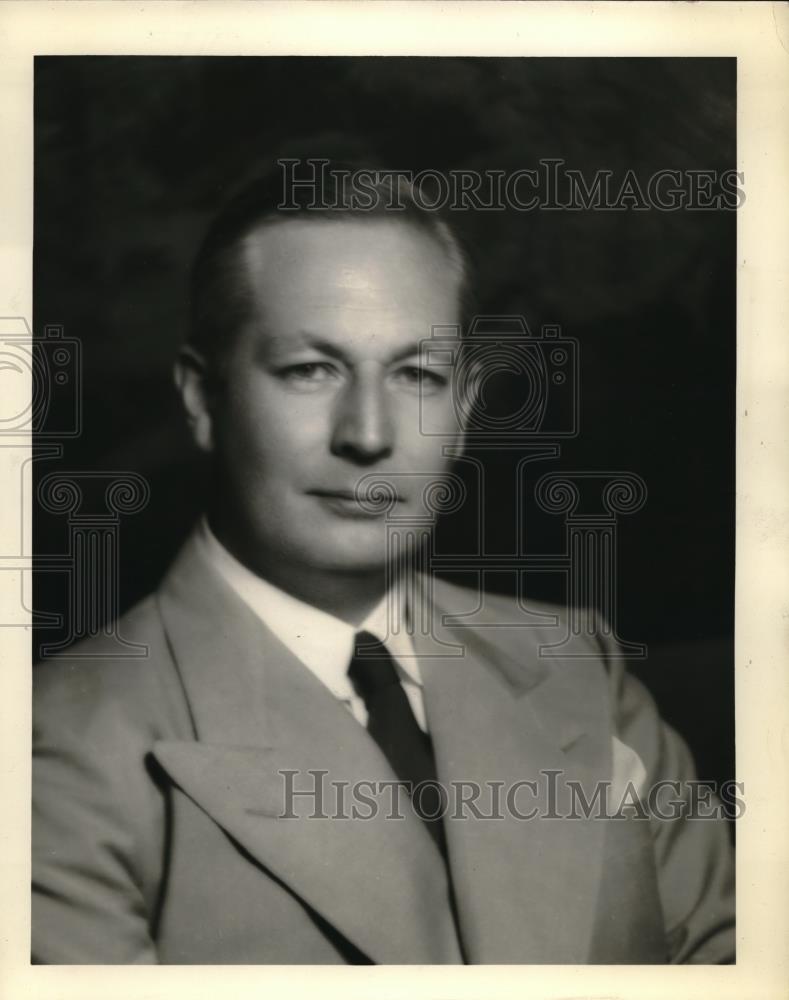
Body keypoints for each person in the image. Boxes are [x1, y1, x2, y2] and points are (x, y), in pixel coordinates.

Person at [32, 166, 735, 965]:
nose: (367, 434)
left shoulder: (578, 666)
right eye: (310, 369)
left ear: (464, 411)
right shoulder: (54, 744)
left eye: (415, 375)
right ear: (201, 397)